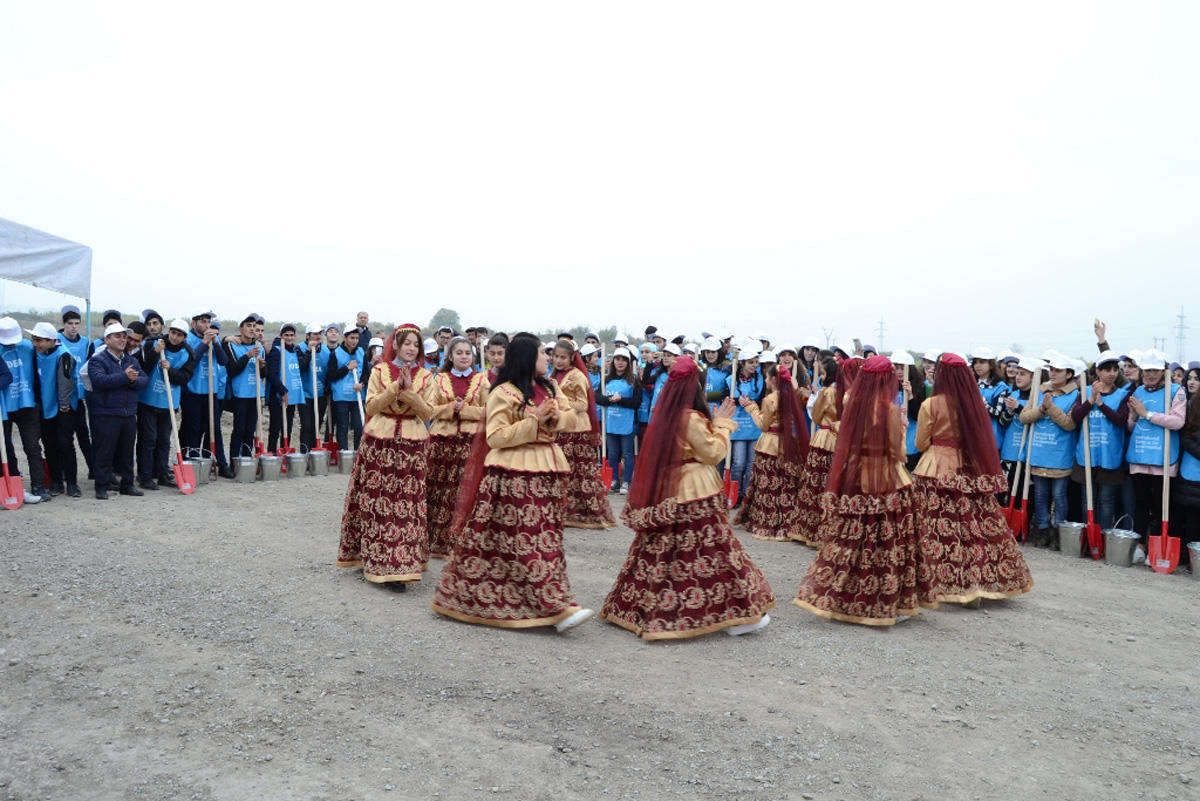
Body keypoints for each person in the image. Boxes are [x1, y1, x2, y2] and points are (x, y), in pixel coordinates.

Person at [599, 357, 774, 639]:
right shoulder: (690, 417)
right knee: (718, 554)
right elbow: (712, 453)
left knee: (666, 555)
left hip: (670, 490)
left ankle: (643, 608)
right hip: (697, 490)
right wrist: (724, 426)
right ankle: (741, 614)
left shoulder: (665, 414)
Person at [431, 332, 593, 631]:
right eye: (543, 354)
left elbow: (573, 417)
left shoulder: (551, 386)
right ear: (528, 358)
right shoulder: (502, 393)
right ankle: (558, 607)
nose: (548, 359)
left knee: (546, 541)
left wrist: (556, 418)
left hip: (550, 472)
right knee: (528, 543)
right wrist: (534, 421)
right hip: (513, 476)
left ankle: (522, 601)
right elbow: (495, 437)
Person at [793, 356, 921, 626]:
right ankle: (883, 600)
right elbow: (897, 453)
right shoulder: (887, 409)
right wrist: (902, 428)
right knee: (886, 541)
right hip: (887, 477)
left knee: (851, 537)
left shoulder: (852, 403)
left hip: (856, 475)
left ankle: (842, 593)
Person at [911, 354, 1033, 608]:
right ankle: (979, 583)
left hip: (934, 467)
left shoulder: (930, 404)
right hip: (967, 470)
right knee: (973, 527)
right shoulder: (973, 402)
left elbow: (921, 443)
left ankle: (940, 584)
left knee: (935, 529)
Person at [337, 324, 435, 585]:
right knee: (378, 501)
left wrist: (409, 393)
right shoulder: (380, 370)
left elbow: (428, 413)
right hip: (380, 442)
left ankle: (403, 561)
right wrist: (394, 388)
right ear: (397, 344)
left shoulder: (426, 376)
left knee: (407, 504)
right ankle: (374, 557)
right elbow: (371, 405)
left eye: (416, 344)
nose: (411, 348)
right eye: (407, 343)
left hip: (412, 446)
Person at [425, 336, 488, 558]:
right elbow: (429, 409)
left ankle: (464, 543)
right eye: (459, 353)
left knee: (465, 492)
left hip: (471, 443)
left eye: (468, 353)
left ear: (473, 357)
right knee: (438, 490)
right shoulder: (439, 379)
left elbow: (490, 411)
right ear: (450, 356)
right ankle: (435, 541)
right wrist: (451, 407)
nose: (464, 356)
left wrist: (466, 410)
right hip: (442, 442)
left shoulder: (482, 380)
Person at [1125, 349, 1185, 564]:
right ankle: (1140, 545)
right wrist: (1134, 415)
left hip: (1163, 457)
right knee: (1140, 503)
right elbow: (1132, 425)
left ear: (1163, 371)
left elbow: (1178, 422)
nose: (1151, 374)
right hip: (1140, 454)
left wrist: (1146, 414)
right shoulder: (1139, 391)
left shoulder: (1176, 391)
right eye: (1147, 370)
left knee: (1161, 505)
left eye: (1155, 371)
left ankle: (1156, 547)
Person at [738, 364, 809, 540]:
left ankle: (766, 520)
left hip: (769, 443)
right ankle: (787, 522)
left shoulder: (770, 399)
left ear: (772, 380)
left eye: (767, 377)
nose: (766, 380)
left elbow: (763, 424)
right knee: (785, 484)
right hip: (788, 443)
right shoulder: (792, 397)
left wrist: (751, 408)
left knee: (767, 485)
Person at [549, 340, 615, 529]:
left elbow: (583, 405)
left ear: (571, 358)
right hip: (561, 428)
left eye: (563, 357)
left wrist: (561, 404)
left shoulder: (577, 376)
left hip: (577, 430)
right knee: (563, 472)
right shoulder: (554, 375)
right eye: (556, 357)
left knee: (581, 474)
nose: (558, 361)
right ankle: (564, 511)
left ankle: (586, 513)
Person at [1018, 354, 1080, 548]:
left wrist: (1051, 408)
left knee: (1060, 496)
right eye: (1051, 370)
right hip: (1038, 452)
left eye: (1058, 371)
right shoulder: (1040, 390)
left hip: (1059, 454)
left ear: (1069, 374)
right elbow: (1024, 417)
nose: (1053, 374)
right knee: (1040, 495)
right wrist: (1042, 409)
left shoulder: (1075, 396)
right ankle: (1042, 529)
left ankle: (1059, 531)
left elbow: (1070, 424)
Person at [1069, 351, 1130, 531]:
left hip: (1110, 455)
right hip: (1087, 454)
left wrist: (1101, 404)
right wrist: (1090, 399)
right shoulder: (1085, 391)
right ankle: (1088, 536)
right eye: (1107, 369)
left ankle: (1102, 536)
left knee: (1106, 500)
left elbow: (1120, 420)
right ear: (1098, 371)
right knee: (1088, 498)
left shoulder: (1121, 395)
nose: (1112, 373)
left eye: (1114, 369)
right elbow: (1076, 416)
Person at [87, 323, 149, 499]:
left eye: (124, 336)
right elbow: (100, 381)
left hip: (128, 413)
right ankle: (101, 486)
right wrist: (125, 377)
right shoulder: (97, 360)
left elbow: (144, 380)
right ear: (107, 340)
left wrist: (130, 381)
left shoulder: (132, 360)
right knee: (104, 452)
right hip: (106, 413)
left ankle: (127, 485)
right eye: (117, 336)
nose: (122, 339)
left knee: (127, 452)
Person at [790, 352, 841, 545]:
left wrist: (814, 396)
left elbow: (817, 416)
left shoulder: (827, 392)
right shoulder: (846, 393)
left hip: (824, 437)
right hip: (838, 440)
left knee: (814, 484)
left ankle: (809, 529)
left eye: (822, 373)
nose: (820, 376)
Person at [136, 319, 194, 490]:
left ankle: (162, 473)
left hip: (169, 402)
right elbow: (143, 368)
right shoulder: (152, 344)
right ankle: (145, 476)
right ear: (169, 331)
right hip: (148, 400)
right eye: (173, 333)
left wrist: (170, 370)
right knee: (148, 439)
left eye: (179, 335)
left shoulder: (188, 353)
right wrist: (155, 352)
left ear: (184, 337)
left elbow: (185, 378)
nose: (175, 337)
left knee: (164, 440)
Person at [0, 317, 50, 502]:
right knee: (5, 448)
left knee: (32, 446)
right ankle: (13, 486)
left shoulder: (29, 347)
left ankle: (38, 485)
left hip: (27, 404)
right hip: (3, 406)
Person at [30, 322, 82, 497]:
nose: (35, 344)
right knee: (49, 444)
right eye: (34, 340)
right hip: (45, 407)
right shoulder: (38, 354)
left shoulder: (63, 356)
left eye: (39, 340)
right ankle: (56, 481)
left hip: (63, 408)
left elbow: (65, 384)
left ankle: (72, 484)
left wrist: (64, 406)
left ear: (51, 340)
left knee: (65, 444)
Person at [181, 311, 231, 477]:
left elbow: (224, 361)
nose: (207, 325)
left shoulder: (213, 340)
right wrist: (204, 342)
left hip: (211, 392)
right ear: (194, 323)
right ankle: (196, 465)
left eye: (209, 322)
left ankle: (220, 463)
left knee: (215, 429)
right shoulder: (188, 339)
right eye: (203, 321)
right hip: (193, 391)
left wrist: (216, 343)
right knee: (193, 429)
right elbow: (191, 362)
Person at [595, 346, 641, 493]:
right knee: (613, 453)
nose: (620, 362)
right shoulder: (606, 379)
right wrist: (609, 400)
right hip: (611, 422)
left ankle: (626, 482)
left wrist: (620, 400)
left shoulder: (633, 380)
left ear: (628, 362)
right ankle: (614, 480)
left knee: (627, 453)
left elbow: (637, 402)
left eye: (623, 360)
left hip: (627, 423)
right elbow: (597, 397)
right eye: (617, 359)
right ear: (613, 361)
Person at [56, 305, 93, 481]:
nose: (73, 327)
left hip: (79, 396)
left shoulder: (85, 342)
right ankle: (65, 471)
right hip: (62, 397)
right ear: (64, 324)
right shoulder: (56, 340)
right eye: (70, 323)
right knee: (64, 438)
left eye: (77, 323)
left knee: (84, 435)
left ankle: (93, 468)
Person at [223, 315, 267, 462]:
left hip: (255, 394)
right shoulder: (232, 345)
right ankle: (235, 462)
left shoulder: (259, 346)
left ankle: (247, 461)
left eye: (254, 326)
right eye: (248, 325)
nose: (252, 329)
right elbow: (232, 370)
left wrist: (262, 367)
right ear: (240, 328)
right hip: (240, 394)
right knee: (239, 430)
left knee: (250, 430)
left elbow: (264, 374)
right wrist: (247, 356)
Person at [726, 346, 764, 507]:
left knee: (751, 464)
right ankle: (734, 494)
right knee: (739, 463)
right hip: (738, 427)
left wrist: (750, 402)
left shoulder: (760, 379)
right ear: (742, 363)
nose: (754, 365)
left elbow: (760, 398)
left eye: (756, 362)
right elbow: (727, 396)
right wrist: (736, 398)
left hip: (754, 426)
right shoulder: (731, 379)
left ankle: (745, 496)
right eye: (750, 362)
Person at [265, 323, 307, 453]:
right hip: (277, 396)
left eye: (292, 335)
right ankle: (271, 453)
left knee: (287, 427)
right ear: (281, 336)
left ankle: (285, 452)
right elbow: (271, 374)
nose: (289, 338)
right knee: (275, 428)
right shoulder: (276, 351)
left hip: (291, 396)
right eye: (286, 335)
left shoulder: (294, 350)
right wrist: (282, 390)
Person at [1175, 367, 1200, 571]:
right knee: (1190, 517)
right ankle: (1190, 558)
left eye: (1196, 379)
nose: (1192, 382)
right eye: (1189, 378)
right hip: (1190, 470)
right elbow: (1185, 438)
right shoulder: (1187, 405)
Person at [326, 327, 364, 450]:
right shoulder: (336, 353)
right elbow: (331, 375)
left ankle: (358, 453)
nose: (355, 341)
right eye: (352, 338)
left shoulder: (361, 352)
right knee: (343, 426)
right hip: (341, 396)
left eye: (357, 338)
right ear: (345, 338)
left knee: (359, 426)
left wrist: (362, 383)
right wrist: (347, 368)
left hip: (357, 396)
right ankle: (344, 453)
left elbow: (366, 373)